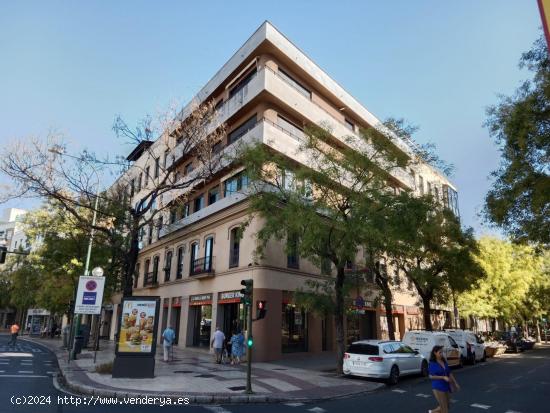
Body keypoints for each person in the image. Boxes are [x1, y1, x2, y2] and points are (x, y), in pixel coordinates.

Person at [428, 345, 460, 413]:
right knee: (444, 409)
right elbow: (431, 376)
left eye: (442, 352)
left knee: (447, 406)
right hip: (438, 386)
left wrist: (455, 383)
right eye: (440, 352)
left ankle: (432, 412)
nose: (441, 354)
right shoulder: (432, 363)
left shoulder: (443, 361)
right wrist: (442, 377)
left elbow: (449, 373)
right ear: (435, 353)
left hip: (446, 385)